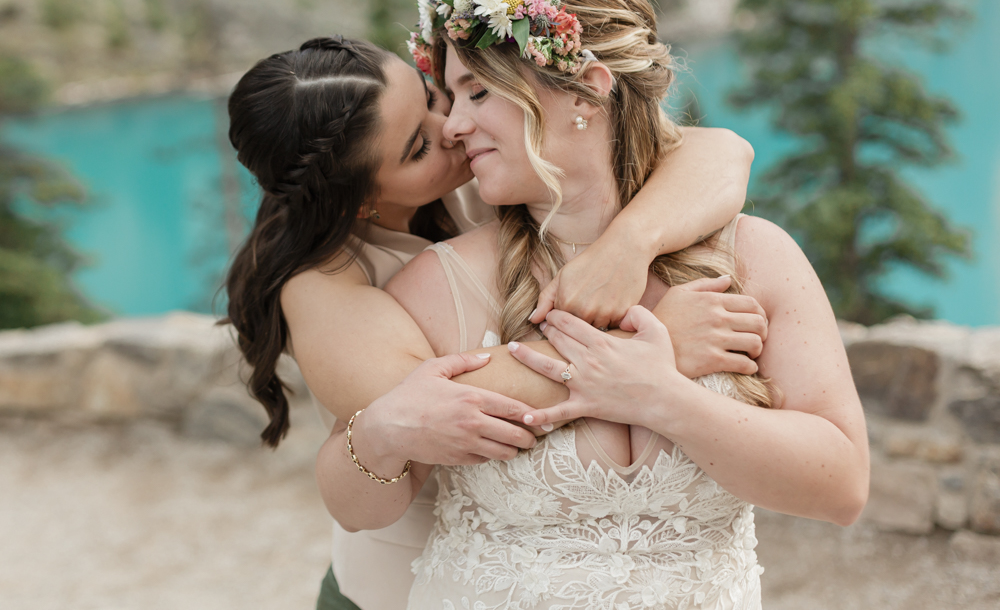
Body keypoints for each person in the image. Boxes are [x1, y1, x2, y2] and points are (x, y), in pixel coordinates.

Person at [335, 0, 869, 609]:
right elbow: (357, 502)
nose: (453, 125)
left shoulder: (755, 259)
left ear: (587, 90)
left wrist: (663, 398)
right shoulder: (437, 282)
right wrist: (383, 431)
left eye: (477, 92)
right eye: (452, 98)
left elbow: (842, 487)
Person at [225, 35, 764, 610]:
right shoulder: (322, 287)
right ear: (358, 202)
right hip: (399, 592)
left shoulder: (486, 184)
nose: (453, 125)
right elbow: (446, 403)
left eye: (432, 95)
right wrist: (651, 343)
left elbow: (722, 153)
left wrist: (629, 245)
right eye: (417, 147)